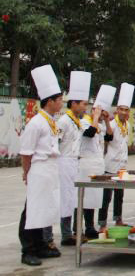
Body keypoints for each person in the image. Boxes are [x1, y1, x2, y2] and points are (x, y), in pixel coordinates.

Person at [18, 65, 64, 266]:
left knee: (45, 208)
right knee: (32, 209)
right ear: (50, 101)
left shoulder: (52, 121)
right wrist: (26, 172)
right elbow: (26, 152)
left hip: (50, 169)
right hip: (38, 168)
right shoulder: (36, 122)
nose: (61, 102)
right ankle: (27, 250)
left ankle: (41, 245)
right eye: (59, 99)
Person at [57, 71, 90, 247]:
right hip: (63, 163)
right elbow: (56, 143)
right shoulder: (64, 121)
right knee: (62, 199)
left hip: (73, 163)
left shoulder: (77, 121)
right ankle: (58, 235)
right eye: (84, 104)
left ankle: (67, 233)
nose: (86, 108)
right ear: (74, 103)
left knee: (70, 199)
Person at [78, 84, 116, 239]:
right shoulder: (84, 122)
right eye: (100, 111)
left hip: (97, 165)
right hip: (86, 165)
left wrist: (106, 120)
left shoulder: (100, 124)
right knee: (83, 198)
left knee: (94, 199)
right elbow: (89, 133)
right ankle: (77, 229)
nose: (102, 115)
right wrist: (95, 115)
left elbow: (109, 137)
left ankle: (89, 227)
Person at [99, 82, 134, 228]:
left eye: (126, 110)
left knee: (120, 195)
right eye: (121, 109)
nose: (124, 112)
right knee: (106, 196)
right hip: (110, 164)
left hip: (122, 164)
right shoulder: (112, 125)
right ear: (117, 110)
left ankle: (118, 219)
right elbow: (106, 142)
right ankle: (102, 223)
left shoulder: (128, 125)